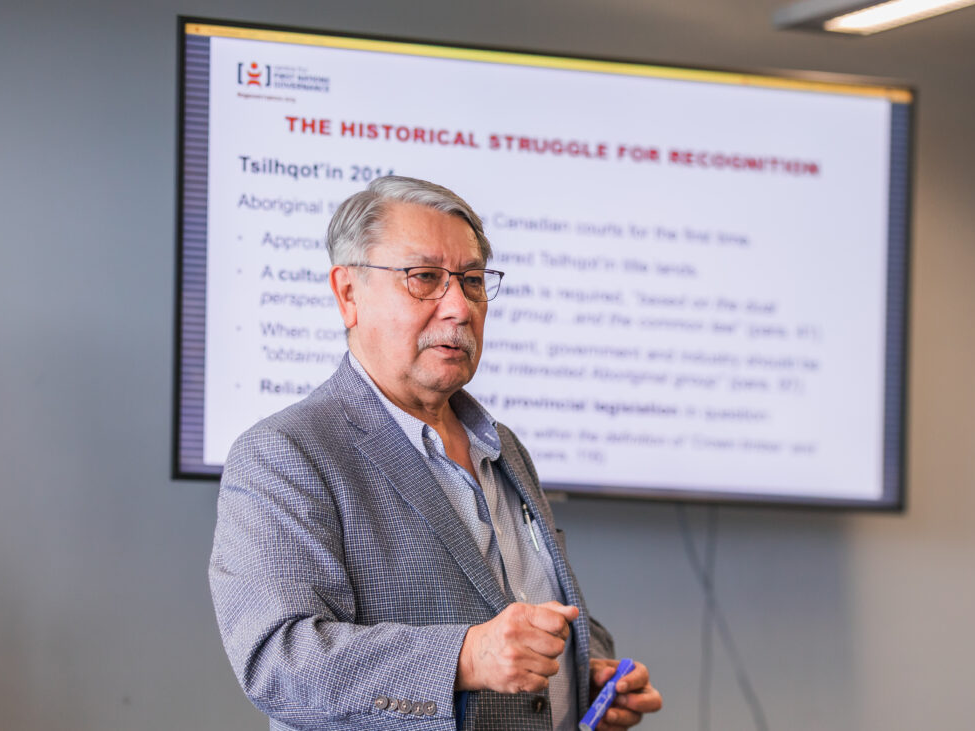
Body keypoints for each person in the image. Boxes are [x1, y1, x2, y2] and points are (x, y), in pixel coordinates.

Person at [209, 176, 662, 731]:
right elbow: (279, 661)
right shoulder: (285, 453)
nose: (459, 307)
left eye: (471, 281)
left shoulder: (503, 447)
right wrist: (466, 658)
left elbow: (523, 605)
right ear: (348, 294)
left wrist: (585, 671)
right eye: (424, 278)